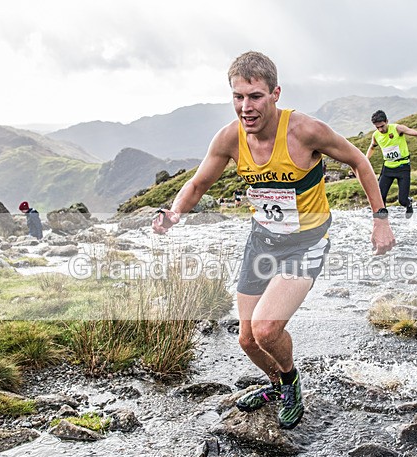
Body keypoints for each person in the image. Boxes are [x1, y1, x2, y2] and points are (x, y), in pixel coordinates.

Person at [152, 51, 395, 429]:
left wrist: (380, 219)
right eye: (238, 97)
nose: (245, 107)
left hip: (305, 243)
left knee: (267, 329)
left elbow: (360, 163)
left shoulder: (305, 131)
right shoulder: (230, 138)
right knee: (248, 341)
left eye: (255, 96)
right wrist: (174, 211)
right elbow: (199, 182)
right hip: (262, 242)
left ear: (275, 93)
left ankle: (291, 381)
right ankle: (277, 385)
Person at [365, 110, 417, 218]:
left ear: (387, 121)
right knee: (380, 197)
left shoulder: (397, 129)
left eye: (382, 126)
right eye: (377, 127)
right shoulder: (376, 135)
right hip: (388, 169)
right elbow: (372, 147)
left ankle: (408, 204)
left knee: (402, 200)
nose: (380, 129)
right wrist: (365, 160)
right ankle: (383, 220)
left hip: (403, 168)